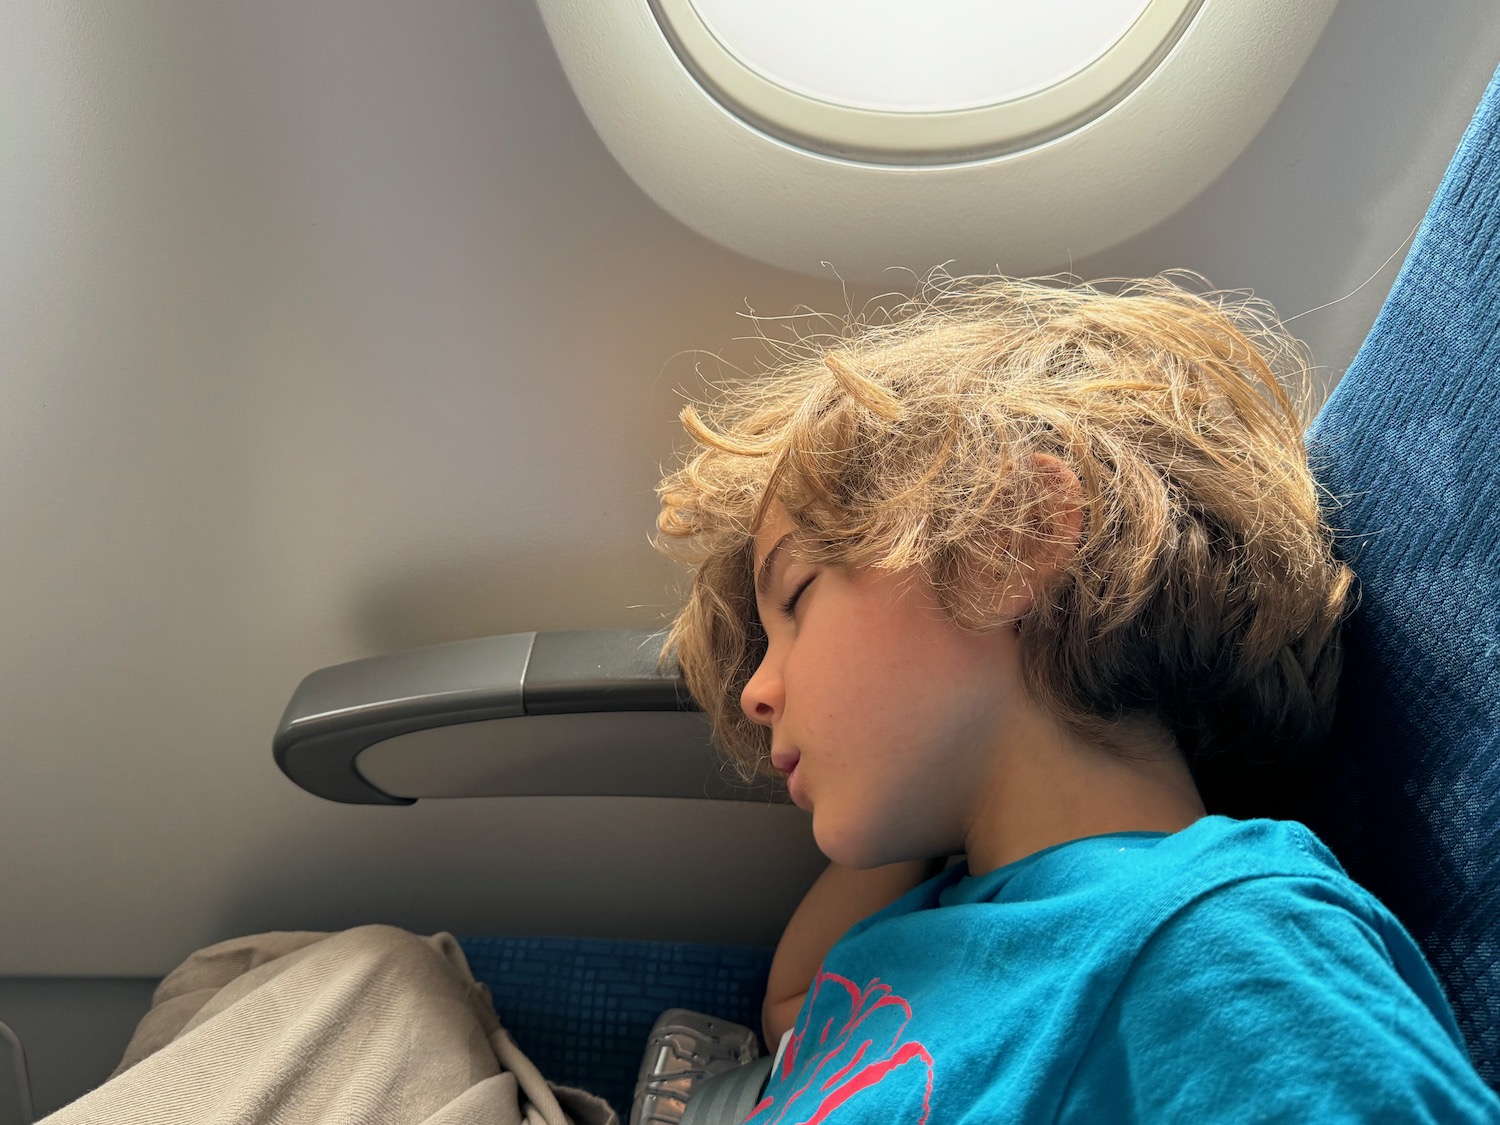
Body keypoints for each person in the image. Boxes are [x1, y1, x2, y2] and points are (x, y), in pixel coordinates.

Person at [651, 273, 1500, 1122]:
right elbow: (801, 1012)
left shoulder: (1215, 946)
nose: (759, 692)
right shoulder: (938, 918)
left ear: (1008, 543)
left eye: (795, 598)